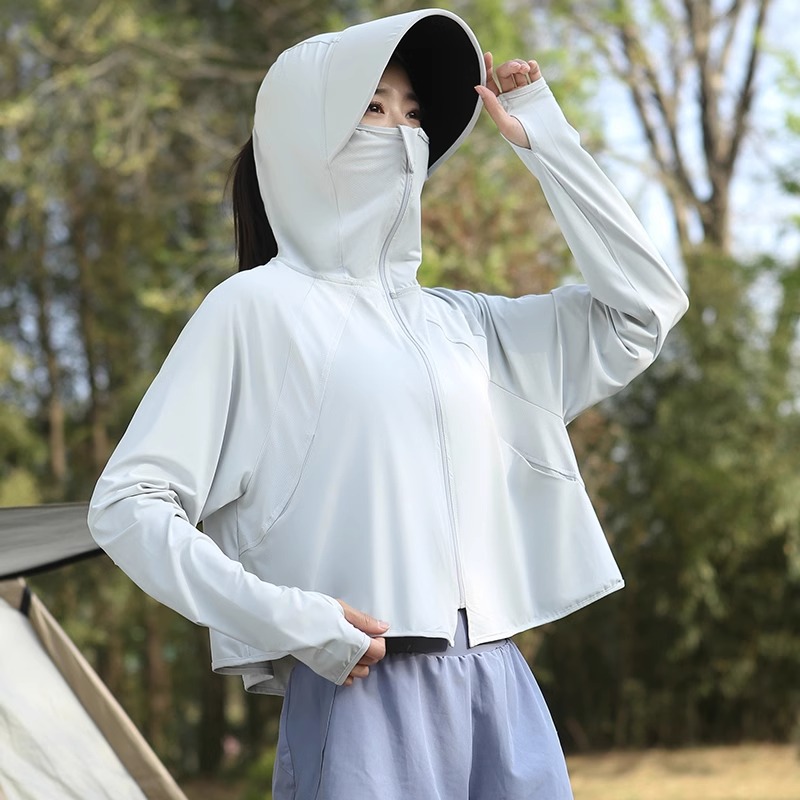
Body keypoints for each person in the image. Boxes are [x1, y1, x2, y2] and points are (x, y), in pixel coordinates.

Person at [88, 8, 688, 799]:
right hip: (361, 697)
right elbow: (128, 505)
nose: (402, 132)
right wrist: (295, 620)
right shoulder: (255, 311)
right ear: (306, 138)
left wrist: (544, 137)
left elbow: (643, 310)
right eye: (374, 108)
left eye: (413, 113)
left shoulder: (468, 325)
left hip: (500, 687)